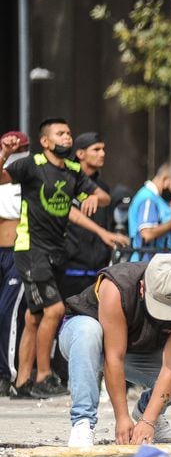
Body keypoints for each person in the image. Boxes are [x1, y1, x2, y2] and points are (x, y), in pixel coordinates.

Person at [0, 119, 118, 399]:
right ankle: (43, 377)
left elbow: (104, 197)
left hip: (54, 252)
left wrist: (93, 197)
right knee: (54, 311)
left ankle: (23, 381)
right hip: (31, 249)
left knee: (34, 316)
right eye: (60, 134)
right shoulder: (31, 164)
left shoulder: (73, 171)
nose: (67, 138)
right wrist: (3, 153)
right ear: (46, 141)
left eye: (69, 133)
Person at [59, 253, 171, 447]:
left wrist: (148, 419)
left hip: (134, 350)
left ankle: (146, 411)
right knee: (88, 331)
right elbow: (113, 357)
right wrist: (122, 417)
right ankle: (83, 422)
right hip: (85, 341)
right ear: (142, 288)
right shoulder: (117, 287)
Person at [62, 133, 126, 298]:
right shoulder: (64, 182)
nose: (102, 154)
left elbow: (107, 223)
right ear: (80, 154)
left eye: (103, 149)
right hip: (68, 270)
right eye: (96, 149)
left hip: (96, 271)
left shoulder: (102, 187)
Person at [0, 131, 29, 397]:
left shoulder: (26, 173)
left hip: (17, 251)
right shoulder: (4, 171)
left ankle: (7, 374)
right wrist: (4, 154)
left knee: (7, 313)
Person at [128, 163, 171, 252]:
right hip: (145, 262)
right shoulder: (148, 198)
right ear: (165, 179)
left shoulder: (159, 200)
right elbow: (147, 234)